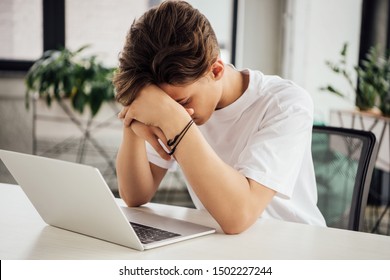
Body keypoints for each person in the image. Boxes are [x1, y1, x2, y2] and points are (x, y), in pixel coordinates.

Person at [113, 0, 326, 234]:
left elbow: (238, 216)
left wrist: (173, 117)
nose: (177, 111)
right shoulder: (174, 99)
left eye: (182, 103)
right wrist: (133, 118)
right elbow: (135, 196)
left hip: (294, 245)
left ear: (215, 70)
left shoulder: (287, 103)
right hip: (223, 244)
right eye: (165, 105)